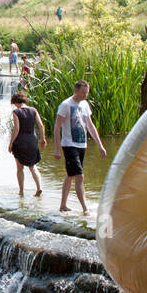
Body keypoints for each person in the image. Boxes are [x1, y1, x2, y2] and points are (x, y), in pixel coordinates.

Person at [54, 81, 106, 214]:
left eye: (87, 92)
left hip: (82, 144)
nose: (85, 95)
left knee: (70, 175)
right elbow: (57, 127)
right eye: (83, 92)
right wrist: (57, 148)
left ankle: (63, 205)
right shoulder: (65, 105)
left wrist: (100, 145)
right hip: (69, 144)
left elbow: (90, 126)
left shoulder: (85, 104)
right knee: (79, 176)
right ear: (76, 90)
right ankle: (85, 208)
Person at [8, 91, 47, 197]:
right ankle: (39, 187)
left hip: (20, 142)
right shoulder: (34, 110)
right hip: (32, 141)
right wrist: (43, 139)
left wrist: (11, 143)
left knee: (19, 168)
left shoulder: (16, 112)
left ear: (16, 102)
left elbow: (16, 129)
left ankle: (21, 191)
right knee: (33, 167)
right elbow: (41, 125)